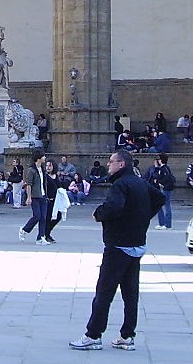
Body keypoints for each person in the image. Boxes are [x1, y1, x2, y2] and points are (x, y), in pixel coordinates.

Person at [70, 150, 156, 351]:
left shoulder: (120, 184)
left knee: (104, 292)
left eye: (111, 162)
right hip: (136, 244)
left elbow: (114, 207)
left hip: (118, 245)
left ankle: (93, 335)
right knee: (130, 292)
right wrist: (142, 219)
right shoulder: (140, 182)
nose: (108, 165)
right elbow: (159, 199)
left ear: (121, 164)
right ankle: (127, 335)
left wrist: (98, 214)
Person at [19, 155, 49, 240]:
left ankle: (41, 237)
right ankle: (24, 229)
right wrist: (29, 197)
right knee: (37, 216)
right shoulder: (31, 170)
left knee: (43, 217)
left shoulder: (42, 170)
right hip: (35, 196)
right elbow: (29, 184)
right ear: (38, 158)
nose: (44, 158)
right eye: (43, 156)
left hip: (43, 196)